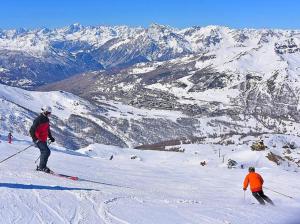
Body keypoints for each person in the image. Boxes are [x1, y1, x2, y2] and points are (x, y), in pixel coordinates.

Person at [29, 105, 55, 173]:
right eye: (48, 113)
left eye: (50, 113)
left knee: (44, 152)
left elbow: (47, 129)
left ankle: (42, 166)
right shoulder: (38, 119)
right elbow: (31, 130)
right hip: (38, 139)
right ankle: (42, 167)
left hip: (43, 139)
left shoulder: (46, 119)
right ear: (44, 112)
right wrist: (35, 139)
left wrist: (50, 137)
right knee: (46, 151)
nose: (49, 114)